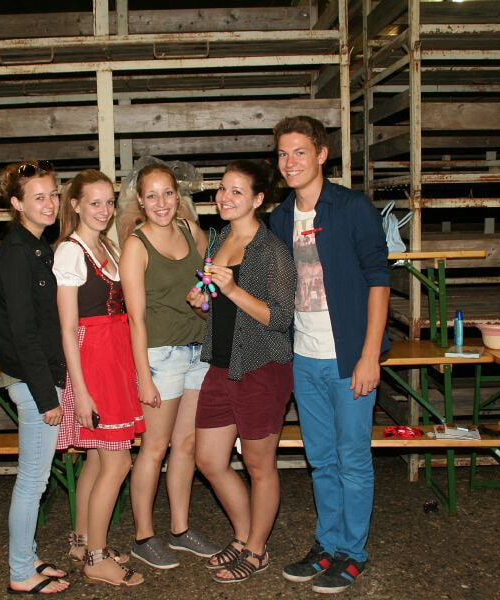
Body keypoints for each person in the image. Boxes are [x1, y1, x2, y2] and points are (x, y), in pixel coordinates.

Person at [269, 116, 391, 595]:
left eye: (300, 151)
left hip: (349, 358)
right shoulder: (281, 217)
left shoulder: (351, 207)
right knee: (320, 460)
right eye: (283, 153)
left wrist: (369, 355)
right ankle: (328, 543)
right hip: (304, 357)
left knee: (352, 459)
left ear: (321, 155)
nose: (290, 162)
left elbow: (379, 281)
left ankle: (352, 553)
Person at [188, 159, 296, 583]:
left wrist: (232, 289)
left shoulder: (273, 251)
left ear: (258, 199)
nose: (225, 197)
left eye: (236, 191)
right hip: (221, 364)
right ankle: (244, 535)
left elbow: (281, 319)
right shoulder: (218, 241)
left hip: (262, 367)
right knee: (208, 459)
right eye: (222, 188)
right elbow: (219, 307)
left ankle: (256, 549)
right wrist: (204, 302)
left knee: (259, 465)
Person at [119, 163, 220, 569]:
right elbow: (135, 319)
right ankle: (143, 537)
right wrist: (144, 378)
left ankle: (180, 529)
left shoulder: (190, 231)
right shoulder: (136, 245)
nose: (161, 202)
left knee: (187, 445)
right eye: (152, 195)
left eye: (167, 193)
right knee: (155, 447)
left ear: (178, 196)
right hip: (160, 357)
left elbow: (210, 281)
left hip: (198, 351)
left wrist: (206, 298)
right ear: (141, 201)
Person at [53, 169, 146, 588]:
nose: (104, 210)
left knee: (95, 457)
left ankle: (82, 542)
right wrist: (82, 392)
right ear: (75, 205)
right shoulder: (70, 252)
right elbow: (68, 328)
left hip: (114, 355)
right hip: (95, 360)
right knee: (118, 460)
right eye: (95, 203)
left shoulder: (106, 244)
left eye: (109, 202)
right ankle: (96, 558)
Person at [0, 160, 69, 596]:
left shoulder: (38, 246)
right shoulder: (17, 253)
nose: (50, 203)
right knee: (33, 480)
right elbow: (23, 332)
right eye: (39, 197)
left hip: (38, 376)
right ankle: (20, 571)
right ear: (17, 204)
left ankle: (30, 554)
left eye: (53, 194)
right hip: (33, 381)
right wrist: (47, 396)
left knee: (35, 478)